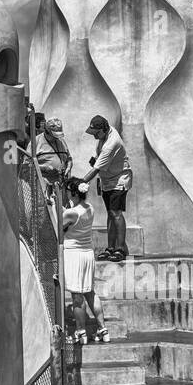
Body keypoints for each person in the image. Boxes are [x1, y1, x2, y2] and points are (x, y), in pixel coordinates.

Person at [77, 115, 133, 263]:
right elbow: (99, 160)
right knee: (110, 213)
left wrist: (79, 183)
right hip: (107, 180)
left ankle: (120, 249)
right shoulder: (105, 135)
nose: (94, 135)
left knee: (116, 213)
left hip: (119, 180)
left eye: (96, 132)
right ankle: (110, 248)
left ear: (104, 129)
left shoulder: (111, 143)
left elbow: (95, 170)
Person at [60, 178, 108, 344]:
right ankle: (103, 330)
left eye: (67, 190)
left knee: (77, 296)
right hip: (88, 254)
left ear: (73, 192)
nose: (65, 193)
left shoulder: (70, 213)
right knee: (90, 292)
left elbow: (57, 226)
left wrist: (53, 207)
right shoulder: (90, 208)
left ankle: (81, 334)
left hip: (74, 255)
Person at [30, 111, 72, 203]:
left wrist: (68, 167)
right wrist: (44, 168)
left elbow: (69, 159)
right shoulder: (35, 142)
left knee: (62, 213)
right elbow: (26, 166)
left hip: (61, 186)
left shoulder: (62, 141)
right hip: (42, 186)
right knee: (45, 213)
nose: (57, 138)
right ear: (47, 131)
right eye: (54, 135)